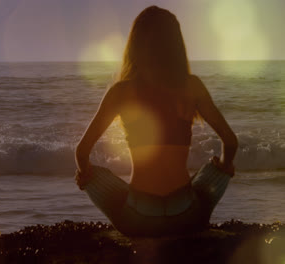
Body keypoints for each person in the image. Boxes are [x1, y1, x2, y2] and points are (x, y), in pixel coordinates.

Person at [74, 6, 238, 236]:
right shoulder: (192, 86)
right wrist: (224, 166)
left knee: (97, 176)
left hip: (138, 217)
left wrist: (86, 175)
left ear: (135, 44)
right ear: (176, 45)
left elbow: (82, 152)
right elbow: (230, 142)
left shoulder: (121, 91)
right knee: (211, 173)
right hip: (187, 215)